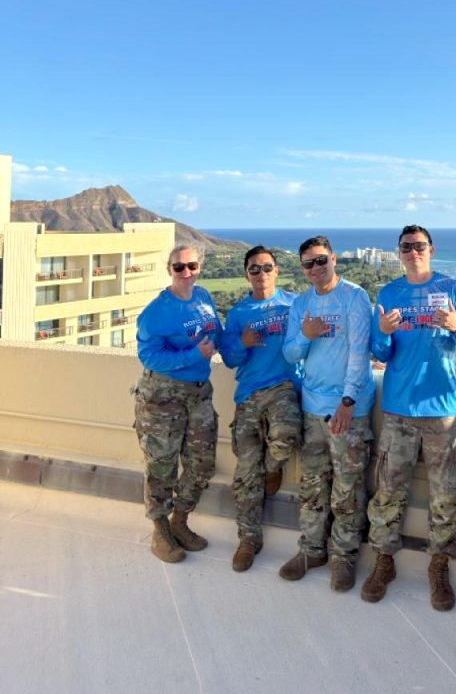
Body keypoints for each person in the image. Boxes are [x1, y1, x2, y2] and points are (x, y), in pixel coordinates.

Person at [362, 225, 456, 611]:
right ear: (399, 253)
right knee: (388, 492)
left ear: (432, 249)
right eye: (406, 246)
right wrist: (381, 332)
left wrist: (455, 326)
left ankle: (439, 567)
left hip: (443, 409)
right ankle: (383, 561)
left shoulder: (454, 288)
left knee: (446, 495)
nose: (413, 251)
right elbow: (380, 351)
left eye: (419, 246)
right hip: (398, 408)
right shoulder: (389, 292)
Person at [279, 236, 375, 592]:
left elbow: (358, 352)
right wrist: (305, 335)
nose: (316, 269)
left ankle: (344, 557)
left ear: (333, 259)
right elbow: (290, 354)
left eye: (321, 261)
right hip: (312, 408)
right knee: (312, 485)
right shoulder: (301, 303)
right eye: (308, 264)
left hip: (347, 408)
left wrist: (348, 402)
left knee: (348, 487)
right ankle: (311, 550)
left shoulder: (354, 296)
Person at [133, 244, 220, 563]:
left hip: (199, 393)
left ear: (199, 267)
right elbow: (149, 355)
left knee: (202, 463)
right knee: (162, 465)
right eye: (179, 267)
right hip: (163, 396)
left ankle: (179, 522)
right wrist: (193, 355)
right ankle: (159, 530)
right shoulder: (156, 312)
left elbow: (217, 335)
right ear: (169, 269)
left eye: (192, 266)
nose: (186, 272)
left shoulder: (204, 298)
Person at [220, 245, 302, 572]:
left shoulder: (293, 304)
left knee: (285, 434)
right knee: (245, 473)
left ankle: (273, 468)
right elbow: (229, 358)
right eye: (254, 269)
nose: (261, 274)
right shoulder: (239, 313)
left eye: (267, 267)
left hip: (283, 387)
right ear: (246, 274)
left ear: (277, 270)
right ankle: (248, 539)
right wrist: (244, 343)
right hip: (249, 395)